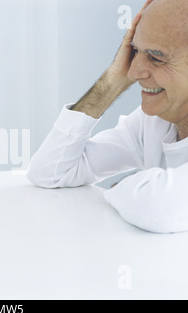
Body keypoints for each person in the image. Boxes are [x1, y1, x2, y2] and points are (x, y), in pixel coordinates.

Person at [27, 0, 188, 234]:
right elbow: (50, 172)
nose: (133, 72)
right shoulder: (154, 122)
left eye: (156, 58)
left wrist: (119, 186)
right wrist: (112, 81)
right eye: (135, 51)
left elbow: (162, 209)